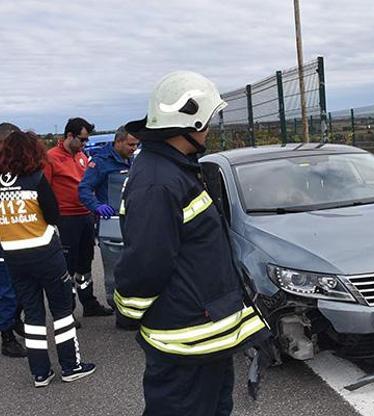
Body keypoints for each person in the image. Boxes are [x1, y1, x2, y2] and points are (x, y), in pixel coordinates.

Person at [116, 71, 269, 415]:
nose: (210, 128)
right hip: (185, 345)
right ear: (190, 120)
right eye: (208, 120)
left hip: (204, 340)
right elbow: (146, 263)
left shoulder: (174, 169)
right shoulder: (158, 181)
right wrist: (128, 311)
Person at [0, 129, 96, 387]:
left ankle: (40, 372)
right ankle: (70, 366)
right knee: (62, 310)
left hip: (13, 257)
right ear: (33, 151)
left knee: (32, 314)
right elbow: (53, 216)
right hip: (44, 253)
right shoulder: (36, 178)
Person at [44, 117, 113, 318]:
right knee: (67, 267)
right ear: (70, 136)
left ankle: (89, 303)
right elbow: (45, 190)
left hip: (86, 216)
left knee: (85, 264)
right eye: (82, 140)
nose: (84, 144)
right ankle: (67, 309)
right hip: (66, 219)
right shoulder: (51, 158)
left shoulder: (82, 157)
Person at [78, 125, 139, 310]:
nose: (134, 148)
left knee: (136, 268)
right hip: (112, 224)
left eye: (136, 145)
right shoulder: (101, 162)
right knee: (116, 270)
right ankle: (118, 307)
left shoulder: (134, 160)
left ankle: (136, 306)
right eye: (130, 145)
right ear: (118, 141)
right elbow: (84, 189)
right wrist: (96, 206)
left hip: (134, 222)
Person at [0, 122, 26, 358]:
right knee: (6, 288)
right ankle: (6, 336)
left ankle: (14, 319)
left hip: (16, 237)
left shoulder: (14, 167)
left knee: (18, 284)